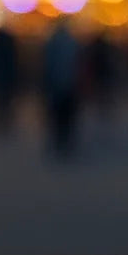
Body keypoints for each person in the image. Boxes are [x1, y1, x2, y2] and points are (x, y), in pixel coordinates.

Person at [42, 22, 81, 159]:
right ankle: (66, 143)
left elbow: (48, 66)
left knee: (57, 117)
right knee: (67, 118)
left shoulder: (52, 43)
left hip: (57, 86)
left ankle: (59, 142)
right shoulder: (73, 43)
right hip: (69, 86)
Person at [0, 27, 20, 136]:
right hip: (7, 79)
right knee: (5, 101)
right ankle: (4, 120)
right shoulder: (8, 49)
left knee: (1, 101)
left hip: (1, 79)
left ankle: (1, 120)